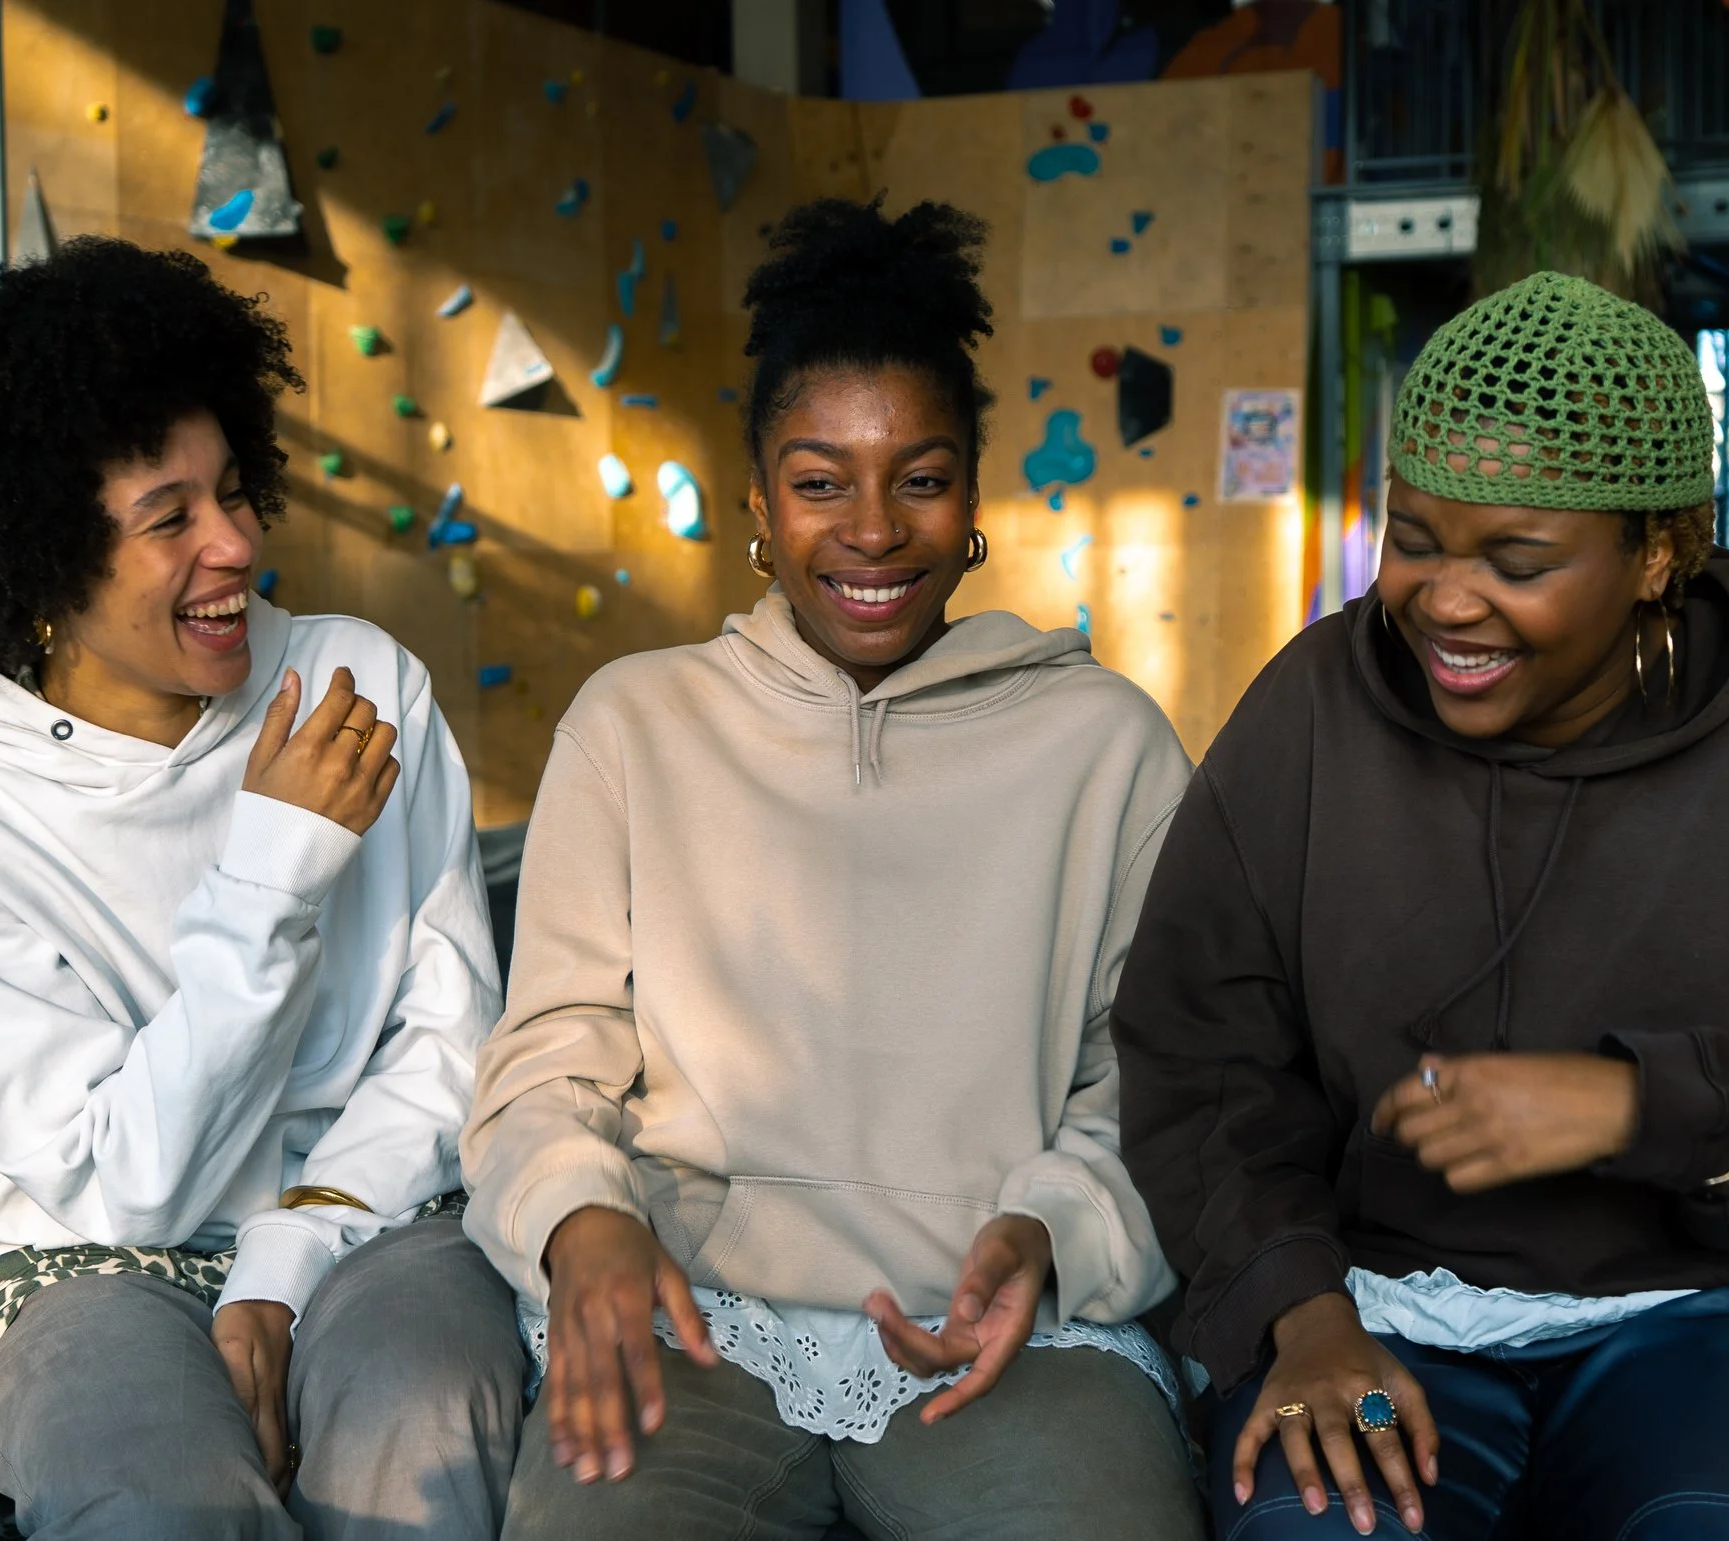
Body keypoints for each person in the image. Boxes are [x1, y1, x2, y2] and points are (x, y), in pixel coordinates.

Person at [1112, 272, 1729, 1541]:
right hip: (1377, 1308)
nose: (1443, 597)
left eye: (1517, 558)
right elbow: (1202, 1060)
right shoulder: (1311, 715)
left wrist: (1666, 1116)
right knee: (1323, 1526)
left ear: (1656, 554)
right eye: (1414, 537)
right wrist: (1298, 1309)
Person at [461, 198, 1206, 1541]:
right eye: (820, 481)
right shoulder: (635, 725)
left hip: (1011, 1341)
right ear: (758, 502)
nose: (872, 529)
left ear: (972, 501)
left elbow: (1155, 1081)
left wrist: (1054, 1232)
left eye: (918, 477)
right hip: (690, 1319)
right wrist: (581, 1221)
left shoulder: (1106, 745)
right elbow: (553, 1053)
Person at [0, 239, 523, 1541]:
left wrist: (291, 1248)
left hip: (374, 1211)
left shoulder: (354, 685)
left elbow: (448, 1050)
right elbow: (127, 1188)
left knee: (426, 1418)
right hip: (72, 1260)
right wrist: (275, 868)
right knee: (157, 1496)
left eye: (233, 491)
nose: (238, 543)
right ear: (33, 556)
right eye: (170, 518)